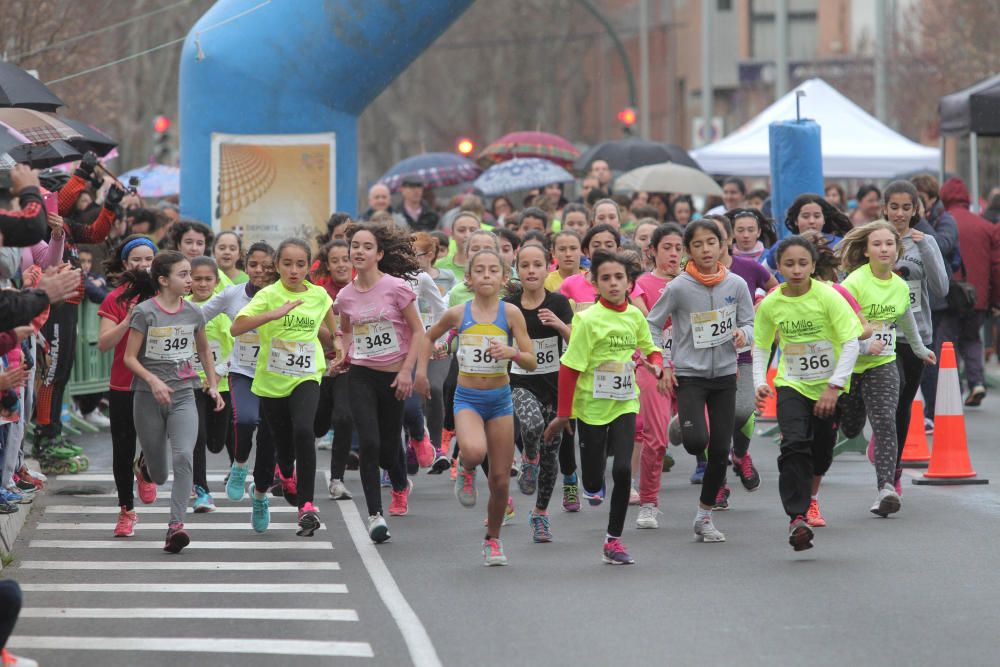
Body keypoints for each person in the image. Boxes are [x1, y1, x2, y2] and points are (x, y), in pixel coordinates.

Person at [416, 248, 536, 566]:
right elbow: (428, 337)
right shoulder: (458, 313)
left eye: (492, 270)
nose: (485, 275)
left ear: (502, 277)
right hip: (468, 398)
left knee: (500, 480)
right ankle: (466, 470)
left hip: (500, 401)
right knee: (472, 451)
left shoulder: (511, 314)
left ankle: (493, 541)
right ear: (468, 278)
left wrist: (511, 354)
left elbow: (531, 360)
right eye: (479, 270)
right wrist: (420, 373)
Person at [543, 250, 663, 564]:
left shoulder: (635, 315)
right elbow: (569, 368)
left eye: (618, 278)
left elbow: (650, 348)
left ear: (629, 282)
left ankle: (613, 541)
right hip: (591, 407)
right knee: (594, 480)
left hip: (625, 403)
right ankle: (591, 483)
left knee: (623, 470)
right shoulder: (587, 319)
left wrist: (657, 364)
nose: (613, 283)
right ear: (595, 283)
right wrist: (563, 413)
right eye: (605, 278)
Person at [646, 220, 754, 544]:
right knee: (696, 443)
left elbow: (750, 323)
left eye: (712, 242)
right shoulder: (679, 287)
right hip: (690, 375)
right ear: (688, 250)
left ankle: (704, 516)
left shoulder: (736, 285)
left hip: (724, 375)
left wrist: (741, 334)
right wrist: (663, 364)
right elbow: (652, 324)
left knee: (720, 451)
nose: (706, 250)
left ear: (722, 245)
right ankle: (684, 425)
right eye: (698, 244)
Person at [753, 236, 862, 550]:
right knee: (795, 444)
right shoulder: (772, 303)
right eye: (789, 264)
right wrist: (760, 382)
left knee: (822, 453)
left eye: (803, 263)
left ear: (814, 266)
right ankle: (797, 517)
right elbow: (761, 345)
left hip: (831, 386)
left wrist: (833, 387)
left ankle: (810, 497)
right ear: (779, 266)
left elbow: (852, 342)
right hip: (792, 384)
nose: (796, 269)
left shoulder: (828, 297)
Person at [231, 239, 340, 537]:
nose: (294, 270)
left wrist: (339, 346)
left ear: (309, 267)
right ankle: (272, 485)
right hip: (271, 382)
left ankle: (306, 506)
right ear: (277, 265)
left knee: (304, 430)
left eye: (300, 264)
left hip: (307, 375)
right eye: (288, 264)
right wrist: (271, 315)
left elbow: (332, 329)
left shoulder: (318, 295)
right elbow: (236, 328)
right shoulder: (268, 295)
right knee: (278, 443)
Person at [123, 251, 225, 553]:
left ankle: (175, 527)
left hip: (183, 394)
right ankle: (144, 466)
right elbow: (129, 357)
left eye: (190, 274)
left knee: (184, 457)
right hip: (147, 396)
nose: (190, 280)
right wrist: (153, 381)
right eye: (183, 274)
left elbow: (204, 351)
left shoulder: (194, 312)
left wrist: (214, 385)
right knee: (160, 473)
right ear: (164, 280)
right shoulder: (144, 313)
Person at [333, 224, 424, 542]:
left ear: (379, 254)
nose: (358, 251)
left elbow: (418, 332)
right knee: (369, 444)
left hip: (394, 376)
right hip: (361, 376)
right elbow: (344, 331)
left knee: (388, 450)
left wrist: (406, 372)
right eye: (354, 246)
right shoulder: (344, 295)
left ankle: (400, 483)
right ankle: (375, 516)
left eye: (366, 246)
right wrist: (342, 355)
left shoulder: (396, 288)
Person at [837, 221, 935, 517]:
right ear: (866, 251)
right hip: (852, 365)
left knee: (886, 423)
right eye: (877, 244)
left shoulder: (900, 286)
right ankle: (852, 416)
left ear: (897, 250)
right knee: (851, 426)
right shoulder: (852, 284)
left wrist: (919, 350)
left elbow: (906, 320)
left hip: (883, 362)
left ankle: (886, 488)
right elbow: (839, 327)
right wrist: (864, 346)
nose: (884, 249)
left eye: (889, 244)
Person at [198, 242, 277, 532]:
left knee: (270, 440)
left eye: (266, 265)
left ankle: (259, 497)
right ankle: (240, 465)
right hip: (243, 371)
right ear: (245, 265)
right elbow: (198, 317)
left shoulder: (283, 294)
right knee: (245, 419)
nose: (259, 271)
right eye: (253, 264)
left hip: (277, 376)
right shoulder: (232, 295)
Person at [505, 242, 573, 542]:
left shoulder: (558, 303)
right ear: (517, 270)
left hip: (554, 386)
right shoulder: (510, 305)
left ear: (549, 267)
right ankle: (528, 457)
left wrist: (560, 325)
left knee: (552, 457)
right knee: (531, 425)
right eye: (525, 265)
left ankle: (540, 514)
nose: (531, 270)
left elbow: (576, 340)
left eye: (537, 265)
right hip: (521, 381)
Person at [882, 182, 948, 478]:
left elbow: (941, 289)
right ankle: (887, 456)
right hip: (882, 334)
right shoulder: (875, 239)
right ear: (884, 208)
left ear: (915, 210)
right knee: (890, 398)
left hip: (916, 335)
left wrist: (925, 246)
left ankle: (894, 466)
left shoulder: (926, 241)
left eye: (906, 208)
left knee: (904, 403)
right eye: (893, 207)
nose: (899, 214)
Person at [97, 235, 157, 537]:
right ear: (125, 264)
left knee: (159, 440)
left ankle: (146, 467)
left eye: (149, 259)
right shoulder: (115, 298)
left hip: (160, 383)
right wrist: (128, 321)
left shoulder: (166, 294)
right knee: (122, 449)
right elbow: (104, 343)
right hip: (123, 386)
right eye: (137, 259)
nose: (143, 265)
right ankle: (126, 511)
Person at [634, 223, 683, 527]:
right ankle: (648, 502)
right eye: (667, 247)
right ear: (652, 251)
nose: (674, 254)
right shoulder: (641, 283)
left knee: (702, 434)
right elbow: (648, 321)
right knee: (655, 439)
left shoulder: (695, 282)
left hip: (690, 365)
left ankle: (682, 423)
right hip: (653, 366)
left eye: (679, 248)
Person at [936, 177, 1000, 405]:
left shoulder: (942, 223)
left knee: (946, 342)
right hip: (978, 297)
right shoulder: (986, 226)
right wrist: (995, 300)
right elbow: (996, 265)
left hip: (949, 294)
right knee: (972, 339)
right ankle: (977, 383)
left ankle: (952, 388)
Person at [187, 256, 234, 514]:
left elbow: (237, 347)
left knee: (216, 441)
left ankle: (234, 467)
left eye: (208, 279)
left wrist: (216, 373)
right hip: (190, 384)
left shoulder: (223, 312)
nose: (202, 284)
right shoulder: (182, 308)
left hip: (221, 384)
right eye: (197, 278)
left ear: (216, 282)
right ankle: (201, 490)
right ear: (188, 280)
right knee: (198, 435)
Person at [762, 194, 853, 272]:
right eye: (805, 216)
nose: (811, 221)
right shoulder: (781, 247)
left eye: (817, 216)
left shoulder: (840, 245)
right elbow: (762, 275)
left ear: (824, 219)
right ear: (795, 220)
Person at [435, 212, 481, 282]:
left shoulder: (489, 267)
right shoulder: (438, 266)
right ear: (452, 234)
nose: (467, 235)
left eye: (472, 230)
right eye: (461, 230)